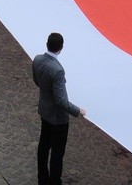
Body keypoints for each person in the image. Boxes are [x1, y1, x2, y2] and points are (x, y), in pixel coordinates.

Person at [32, 32, 85, 185]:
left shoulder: (37, 59)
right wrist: (77, 110)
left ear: (47, 44)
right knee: (57, 152)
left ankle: (42, 178)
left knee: (43, 146)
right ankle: (55, 181)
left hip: (45, 111)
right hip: (58, 119)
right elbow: (61, 100)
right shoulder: (57, 70)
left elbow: (37, 81)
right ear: (60, 48)